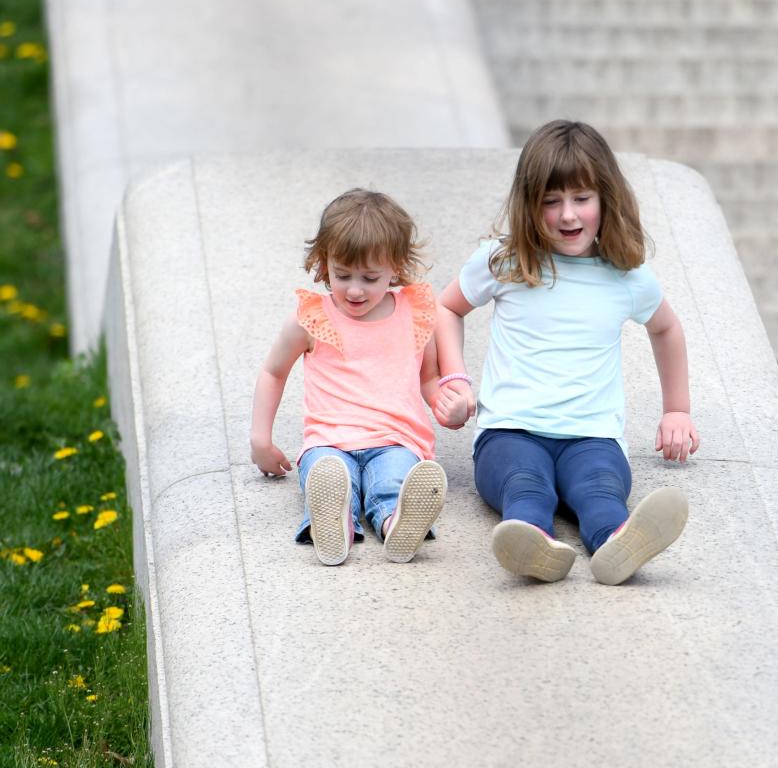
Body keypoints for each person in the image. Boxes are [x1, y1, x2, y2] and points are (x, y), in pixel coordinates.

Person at [435, 120, 699, 586]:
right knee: (525, 485)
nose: (567, 215)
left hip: (592, 436)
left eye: (581, 198)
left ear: (606, 199)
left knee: (599, 489)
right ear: (528, 204)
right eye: (550, 201)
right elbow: (445, 308)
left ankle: (618, 541)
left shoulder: (627, 275)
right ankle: (531, 542)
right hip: (509, 433)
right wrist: (454, 378)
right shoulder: (506, 261)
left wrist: (677, 410)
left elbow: (667, 328)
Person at [250, 188, 471, 566]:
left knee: (392, 483)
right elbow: (274, 372)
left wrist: (447, 405)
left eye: (370, 277)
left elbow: (428, 377)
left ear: (396, 267)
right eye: (342, 274)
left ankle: (397, 524)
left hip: (396, 438)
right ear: (324, 263)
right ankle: (334, 523)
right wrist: (260, 439)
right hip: (329, 439)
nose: (354, 289)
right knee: (329, 476)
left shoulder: (414, 314)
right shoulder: (311, 317)